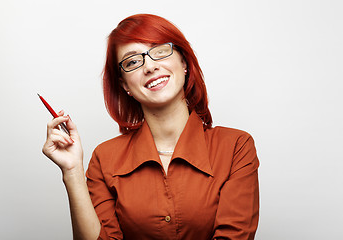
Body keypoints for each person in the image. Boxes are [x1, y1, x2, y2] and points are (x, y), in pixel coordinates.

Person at [42, 14, 260, 240]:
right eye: (133, 62)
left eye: (159, 50)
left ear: (184, 62)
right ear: (125, 84)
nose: (150, 66)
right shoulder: (104, 159)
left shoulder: (235, 147)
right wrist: (72, 172)